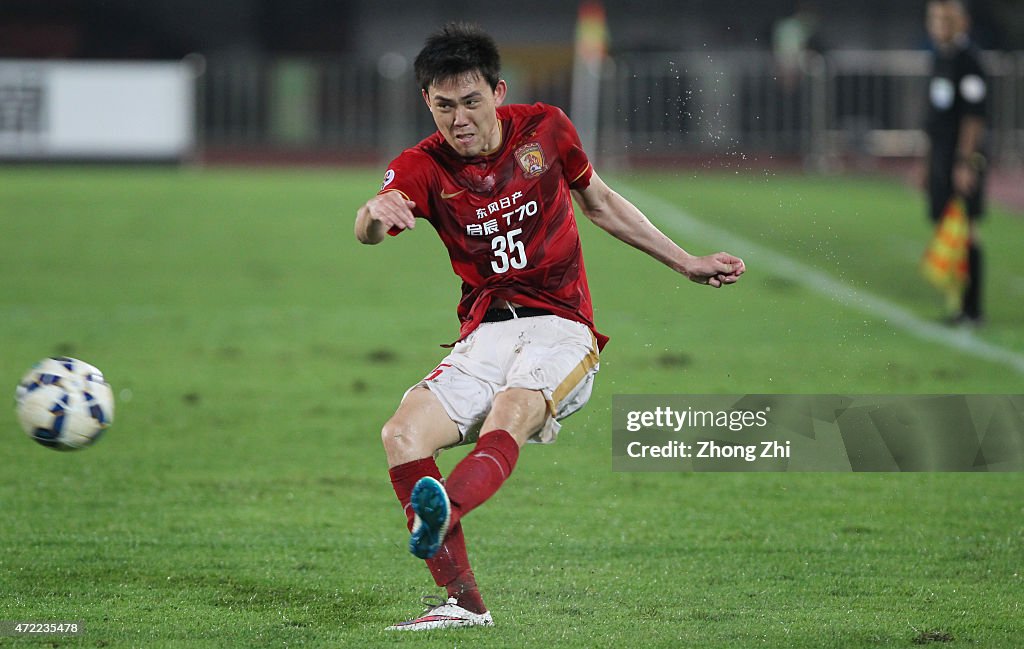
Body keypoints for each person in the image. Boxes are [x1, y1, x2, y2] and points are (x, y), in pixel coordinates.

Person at [354, 22, 745, 631]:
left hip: (562, 329)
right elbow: (370, 228)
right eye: (443, 106)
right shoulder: (421, 166)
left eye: (471, 102)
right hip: (485, 333)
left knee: (512, 408)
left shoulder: (546, 130)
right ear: (426, 104)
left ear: (499, 91)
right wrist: (373, 214)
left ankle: (443, 510)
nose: (459, 119)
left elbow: (601, 203)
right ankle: (463, 605)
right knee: (402, 434)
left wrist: (686, 261)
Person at [921, 0, 988, 325]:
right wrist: (928, 163)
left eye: (945, 19)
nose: (938, 25)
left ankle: (973, 310)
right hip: (942, 157)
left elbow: (974, 117)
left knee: (968, 230)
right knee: (949, 228)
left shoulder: (969, 61)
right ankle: (959, 306)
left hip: (961, 159)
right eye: (934, 18)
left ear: (962, 22)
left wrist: (964, 162)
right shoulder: (940, 58)